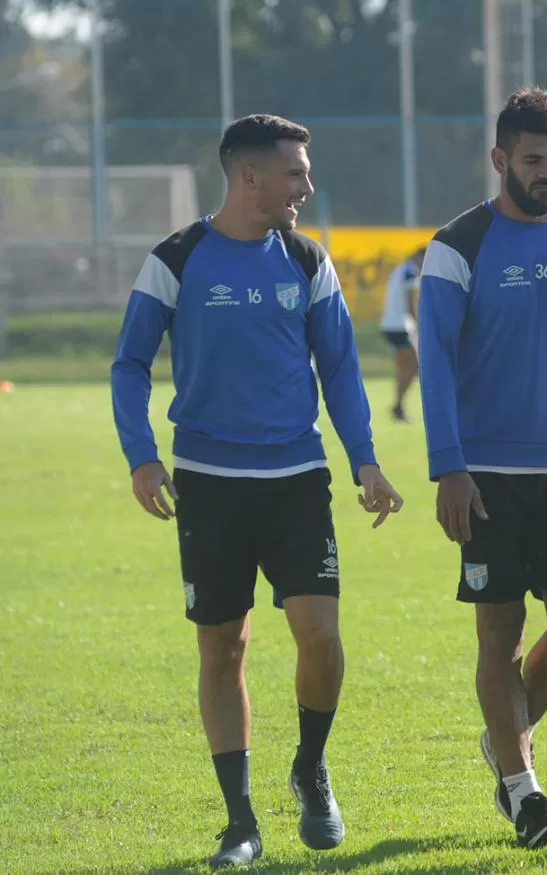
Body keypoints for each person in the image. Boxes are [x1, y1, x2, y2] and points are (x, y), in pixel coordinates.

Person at [110, 114, 403, 869]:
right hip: (208, 486)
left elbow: (338, 368)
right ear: (250, 177)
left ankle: (310, 765)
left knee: (322, 636)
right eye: (296, 173)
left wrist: (365, 459)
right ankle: (239, 821)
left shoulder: (308, 261)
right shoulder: (176, 259)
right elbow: (128, 364)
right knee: (223, 645)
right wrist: (143, 456)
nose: (306, 185)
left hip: (297, 480)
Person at [418, 88, 547, 849]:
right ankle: (523, 788)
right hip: (487, 476)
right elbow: (433, 364)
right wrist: (449, 467)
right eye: (533, 160)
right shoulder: (458, 243)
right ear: (500, 158)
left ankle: (507, 736)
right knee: (498, 635)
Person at [380, 246, 425, 422]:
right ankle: (398, 405)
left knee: (404, 367)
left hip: (389, 325)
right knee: (414, 365)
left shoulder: (400, 269)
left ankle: (398, 406)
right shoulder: (410, 272)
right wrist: (417, 325)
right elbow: (410, 301)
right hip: (401, 325)